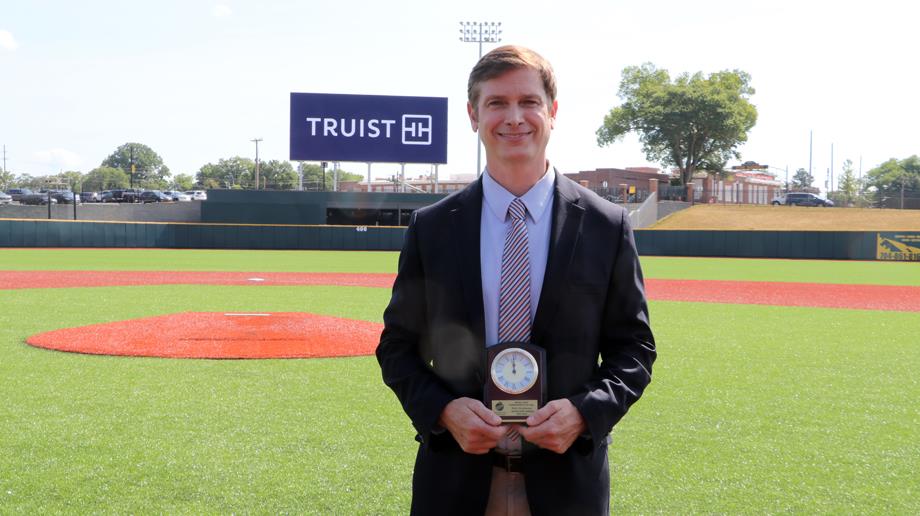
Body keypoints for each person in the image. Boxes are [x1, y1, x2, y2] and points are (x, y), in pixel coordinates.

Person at [376, 45, 656, 516]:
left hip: (567, 486)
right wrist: (444, 411)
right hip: (455, 483)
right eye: (497, 103)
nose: (514, 118)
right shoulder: (434, 227)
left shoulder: (606, 226)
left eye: (528, 101)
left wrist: (585, 413)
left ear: (552, 111)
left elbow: (635, 349)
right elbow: (397, 347)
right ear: (473, 114)